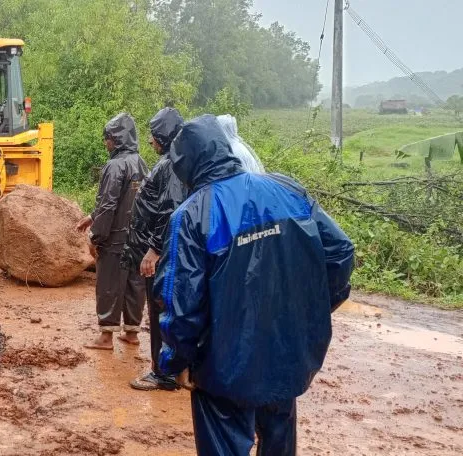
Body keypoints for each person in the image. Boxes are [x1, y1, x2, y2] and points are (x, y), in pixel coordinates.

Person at [154, 115, 355, 455]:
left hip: (223, 367)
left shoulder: (191, 215)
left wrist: (173, 362)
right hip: (286, 351)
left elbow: (182, 305)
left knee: (224, 443)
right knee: (279, 438)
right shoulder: (287, 189)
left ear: (185, 165)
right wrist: (310, 312)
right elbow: (340, 253)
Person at [125, 107, 187, 391]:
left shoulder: (171, 165)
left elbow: (170, 211)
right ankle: (178, 370)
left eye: (154, 134)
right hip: (167, 250)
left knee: (161, 310)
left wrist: (154, 249)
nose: (150, 140)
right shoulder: (176, 161)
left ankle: (163, 372)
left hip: (163, 255)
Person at [77, 112, 149, 349]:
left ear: (117, 139)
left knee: (109, 283)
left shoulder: (114, 166)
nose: (106, 142)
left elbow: (109, 204)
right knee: (134, 284)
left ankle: (106, 336)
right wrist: (91, 216)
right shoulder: (141, 163)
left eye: (108, 138)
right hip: (137, 238)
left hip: (115, 238)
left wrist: (95, 236)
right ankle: (132, 333)